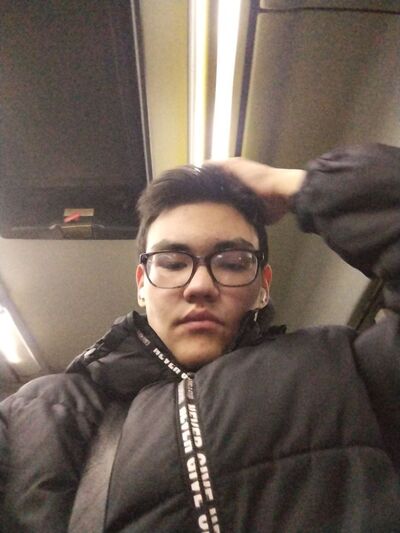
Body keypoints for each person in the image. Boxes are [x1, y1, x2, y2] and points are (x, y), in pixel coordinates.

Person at [0, 143, 399, 532]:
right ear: (142, 284)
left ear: (263, 286)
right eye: (173, 263)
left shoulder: (340, 371)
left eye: (232, 263)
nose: (200, 286)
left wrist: (303, 186)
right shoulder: (39, 413)